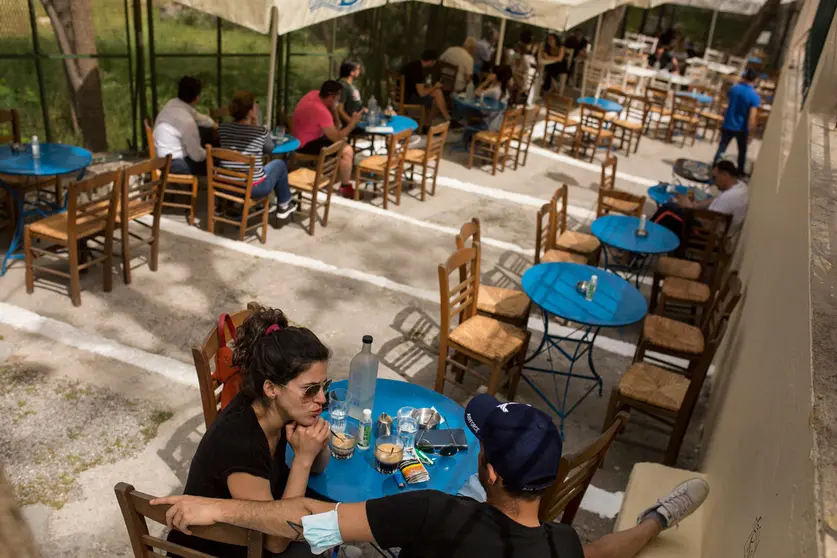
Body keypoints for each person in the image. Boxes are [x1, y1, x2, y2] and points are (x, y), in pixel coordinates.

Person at [153, 394, 710, 558]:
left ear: (488, 471)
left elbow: (311, 527)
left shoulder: (435, 511)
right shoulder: (560, 546)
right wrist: (656, 522)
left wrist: (217, 507)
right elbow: (608, 550)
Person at [165, 306, 332, 558]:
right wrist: (303, 459)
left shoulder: (272, 408)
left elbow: (319, 468)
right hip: (217, 550)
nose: (322, 399)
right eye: (310, 389)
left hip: (254, 530)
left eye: (322, 386)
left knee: (322, 518)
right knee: (318, 536)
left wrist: (315, 443)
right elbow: (276, 541)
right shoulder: (243, 447)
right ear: (271, 388)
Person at [218, 91, 296, 221]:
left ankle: (234, 207)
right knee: (279, 165)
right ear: (249, 112)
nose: (256, 108)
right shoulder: (259, 132)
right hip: (253, 189)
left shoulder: (223, 128)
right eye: (254, 106)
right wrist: (257, 124)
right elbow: (271, 150)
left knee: (254, 167)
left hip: (225, 185)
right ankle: (283, 204)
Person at [292, 80, 363, 199]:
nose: (338, 101)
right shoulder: (321, 111)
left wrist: (334, 111)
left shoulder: (313, 94)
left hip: (299, 137)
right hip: (306, 145)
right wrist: (352, 123)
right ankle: (345, 186)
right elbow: (337, 137)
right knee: (347, 150)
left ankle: (337, 174)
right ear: (330, 96)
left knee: (342, 144)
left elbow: (336, 127)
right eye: (337, 98)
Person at [153, 75, 214, 176]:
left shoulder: (171, 103)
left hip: (159, 158)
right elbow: (197, 156)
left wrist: (212, 124)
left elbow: (197, 116)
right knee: (213, 164)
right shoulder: (187, 121)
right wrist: (210, 153)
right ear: (197, 98)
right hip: (173, 164)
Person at [675, 160, 749, 231]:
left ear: (724, 175)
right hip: (715, 223)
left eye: (714, 177)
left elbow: (708, 226)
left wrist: (689, 208)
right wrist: (698, 205)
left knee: (672, 210)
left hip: (708, 234)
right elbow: (716, 199)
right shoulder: (740, 185)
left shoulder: (728, 198)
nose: (713, 182)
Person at [714, 69, 761, 175]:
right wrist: (751, 132)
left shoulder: (734, 89)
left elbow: (727, 101)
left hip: (728, 123)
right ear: (755, 80)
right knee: (742, 151)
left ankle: (715, 167)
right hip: (741, 128)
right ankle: (740, 171)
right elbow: (752, 116)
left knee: (722, 148)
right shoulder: (754, 96)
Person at [401, 49, 451, 121]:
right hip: (407, 98)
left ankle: (446, 119)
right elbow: (421, 93)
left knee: (437, 92)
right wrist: (434, 87)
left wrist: (432, 89)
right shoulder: (417, 70)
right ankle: (429, 124)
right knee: (435, 98)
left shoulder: (413, 65)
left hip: (402, 95)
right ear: (432, 61)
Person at [336, 59, 363, 126]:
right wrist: (352, 124)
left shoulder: (350, 84)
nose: (359, 71)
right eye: (358, 69)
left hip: (359, 118)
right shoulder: (343, 86)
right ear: (351, 72)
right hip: (350, 123)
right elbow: (339, 109)